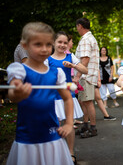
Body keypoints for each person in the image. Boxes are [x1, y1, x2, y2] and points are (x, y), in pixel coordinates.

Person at [6, 22, 74, 165]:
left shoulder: (56, 73)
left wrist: (68, 123)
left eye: (48, 44)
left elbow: (68, 99)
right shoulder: (19, 69)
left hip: (52, 136)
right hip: (27, 139)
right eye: (38, 44)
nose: (44, 49)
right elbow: (12, 94)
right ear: (24, 46)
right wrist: (18, 92)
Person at [46, 31, 88, 164]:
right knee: (55, 126)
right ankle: (57, 153)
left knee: (68, 125)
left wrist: (74, 66)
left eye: (65, 42)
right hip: (53, 97)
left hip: (67, 97)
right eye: (60, 42)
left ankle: (71, 153)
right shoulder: (48, 59)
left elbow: (85, 70)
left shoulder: (71, 57)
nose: (63, 45)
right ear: (53, 42)